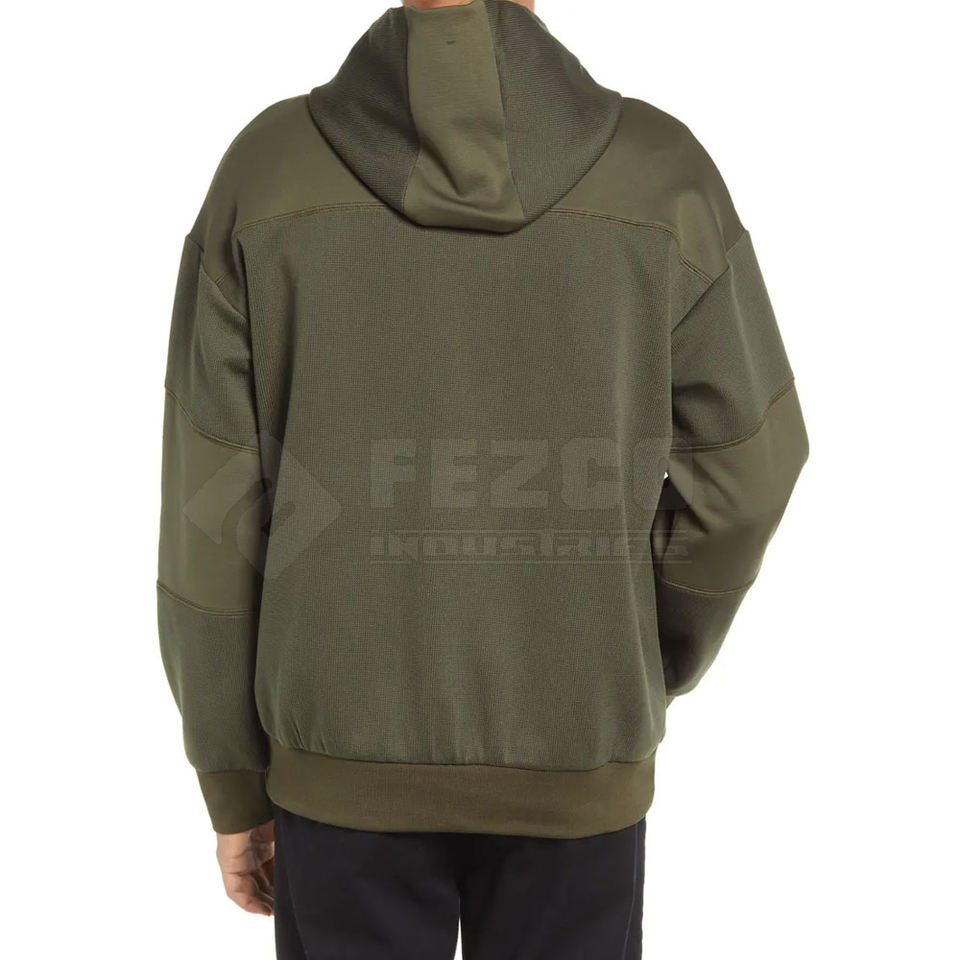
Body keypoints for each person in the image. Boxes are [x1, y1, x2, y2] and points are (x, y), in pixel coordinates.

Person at [157, 0, 808, 955]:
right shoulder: (664, 178)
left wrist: (231, 775)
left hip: (338, 772)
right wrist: (629, 654)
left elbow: (212, 508)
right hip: (577, 760)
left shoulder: (267, 173)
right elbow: (748, 472)